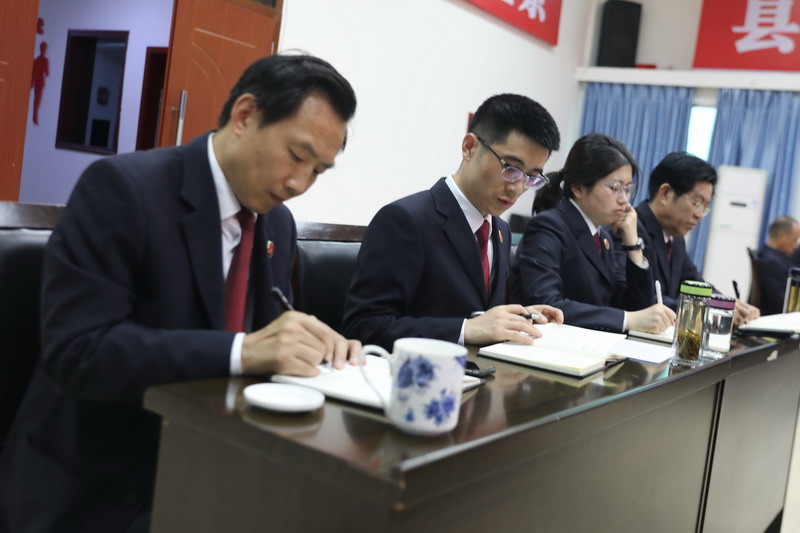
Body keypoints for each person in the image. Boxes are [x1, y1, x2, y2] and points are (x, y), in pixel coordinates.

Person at [0, 54, 360, 533]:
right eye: (296, 155)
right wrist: (243, 350)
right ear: (245, 115)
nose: (299, 184)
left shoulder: (277, 223)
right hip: (101, 482)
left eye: (318, 170)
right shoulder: (124, 190)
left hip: (212, 465)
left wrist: (315, 349)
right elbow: (80, 352)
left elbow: (268, 332)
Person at [342, 94, 563, 351]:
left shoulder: (499, 230)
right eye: (511, 168)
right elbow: (363, 327)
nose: (517, 187)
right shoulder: (405, 220)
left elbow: (481, 314)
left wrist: (521, 317)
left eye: (531, 177)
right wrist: (464, 329)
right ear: (469, 147)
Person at [509, 133, 675, 333]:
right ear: (578, 188)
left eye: (628, 189)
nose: (624, 200)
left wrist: (633, 245)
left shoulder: (604, 238)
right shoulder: (548, 226)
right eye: (615, 188)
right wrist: (627, 319)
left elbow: (638, 307)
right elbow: (548, 305)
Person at [635, 152, 759, 326]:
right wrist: (709, 307)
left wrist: (724, 302)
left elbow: (695, 283)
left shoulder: (676, 238)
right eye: (696, 203)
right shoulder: (630, 229)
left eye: (705, 207)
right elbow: (642, 299)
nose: (699, 215)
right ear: (665, 193)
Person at [755, 216, 800, 315]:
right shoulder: (770, 263)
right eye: (795, 240)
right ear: (781, 237)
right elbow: (785, 302)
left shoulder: (776, 257)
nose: (796, 245)